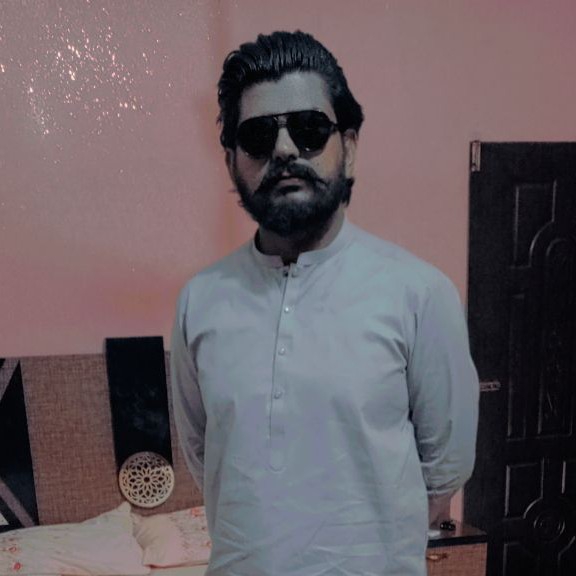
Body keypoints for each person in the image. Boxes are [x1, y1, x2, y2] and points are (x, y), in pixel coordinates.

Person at [170, 30, 479, 576]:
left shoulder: (420, 294)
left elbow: (445, 469)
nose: (284, 150)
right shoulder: (200, 301)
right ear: (232, 162)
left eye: (309, 130)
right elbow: (205, 455)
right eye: (258, 136)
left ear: (349, 148)